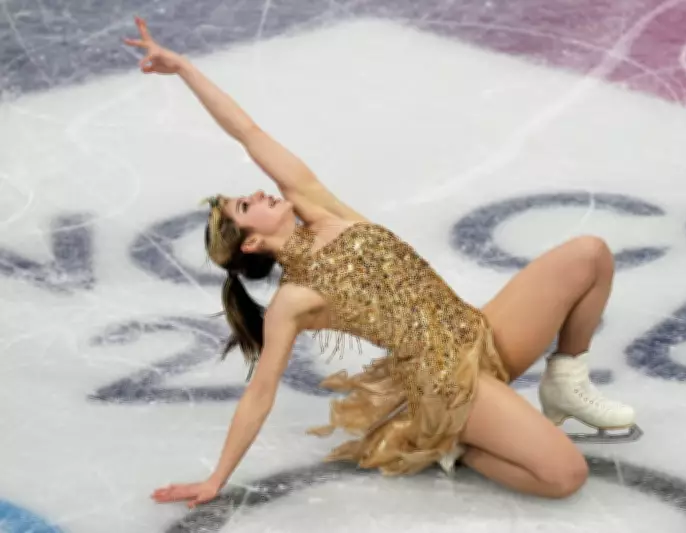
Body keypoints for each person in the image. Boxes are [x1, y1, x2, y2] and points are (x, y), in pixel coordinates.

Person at [123, 17, 640, 509]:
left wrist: (185, 69)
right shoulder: (295, 300)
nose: (257, 192)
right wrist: (216, 478)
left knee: (588, 254)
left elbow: (248, 133)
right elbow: (260, 394)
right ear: (252, 244)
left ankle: (566, 381)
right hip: (446, 382)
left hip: (478, 334)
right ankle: (450, 443)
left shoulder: (319, 209)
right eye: (245, 205)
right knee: (564, 477)